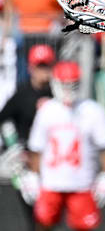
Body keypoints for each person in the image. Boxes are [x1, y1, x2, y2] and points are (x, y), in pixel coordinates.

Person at [27, 60, 105, 231]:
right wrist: (33, 175)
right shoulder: (47, 110)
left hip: (82, 182)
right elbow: (36, 148)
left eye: (72, 85)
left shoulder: (91, 110)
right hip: (51, 182)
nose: (68, 89)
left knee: (84, 226)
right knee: (43, 223)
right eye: (64, 84)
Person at [0, 44, 56, 230]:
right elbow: (4, 119)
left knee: (50, 217)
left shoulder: (57, 93)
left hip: (51, 161)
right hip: (26, 163)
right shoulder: (22, 95)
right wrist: (12, 146)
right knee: (33, 214)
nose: (44, 71)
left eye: (47, 65)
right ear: (31, 67)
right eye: (40, 66)